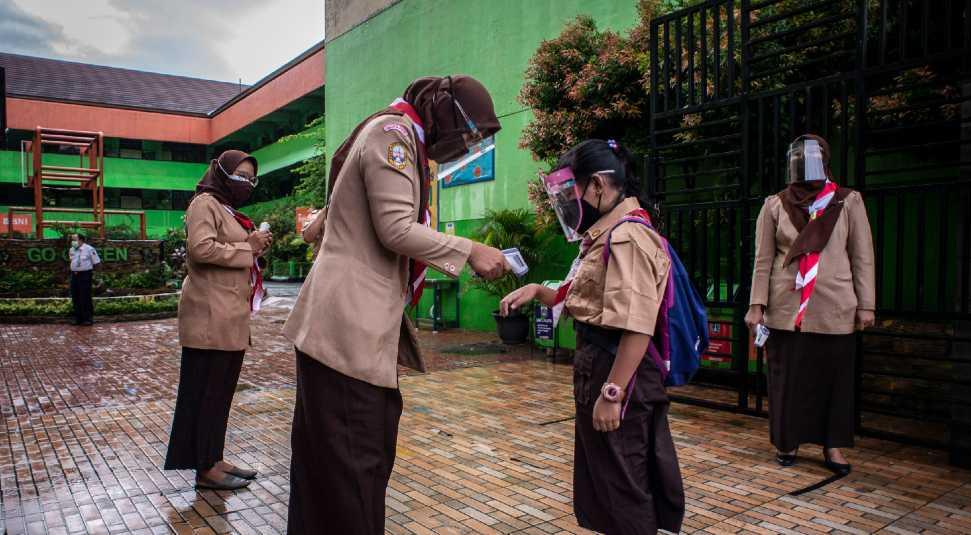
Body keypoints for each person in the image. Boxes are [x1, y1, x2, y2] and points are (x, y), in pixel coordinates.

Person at [282, 75, 509, 534]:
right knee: (357, 464)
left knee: (328, 463)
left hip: (341, 326)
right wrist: (471, 250)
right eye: (468, 134)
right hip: (347, 329)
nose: (465, 147)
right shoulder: (393, 137)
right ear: (443, 113)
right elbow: (395, 228)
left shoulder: (393, 135)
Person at [500, 139, 685, 534]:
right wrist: (535, 290)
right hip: (600, 366)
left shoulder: (627, 238)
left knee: (624, 488)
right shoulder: (605, 235)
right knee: (608, 483)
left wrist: (611, 393)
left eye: (574, 191)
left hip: (617, 371)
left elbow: (636, 324)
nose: (570, 203)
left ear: (598, 185)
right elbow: (586, 302)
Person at [744, 134, 875, 475]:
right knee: (787, 379)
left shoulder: (847, 201)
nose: (805, 164)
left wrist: (867, 305)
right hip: (787, 309)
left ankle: (833, 446)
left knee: (834, 380)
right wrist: (756, 305)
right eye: (798, 158)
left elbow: (862, 257)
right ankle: (788, 439)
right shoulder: (775, 204)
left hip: (834, 306)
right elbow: (763, 260)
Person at [164, 150, 272, 490]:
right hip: (209, 320)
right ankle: (204, 468)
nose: (247, 183)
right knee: (204, 395)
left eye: (251, 178)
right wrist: (248, 248)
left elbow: (231, 249)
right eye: (240, 175)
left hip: (229, 318)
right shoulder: (204, 204)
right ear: (222, 173)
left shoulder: (226, 210)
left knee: (220, 395)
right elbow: (201, 249)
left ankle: (213, 458)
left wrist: (255, 248)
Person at [68, 233, 101, 325]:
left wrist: (96, 276)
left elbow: (97, 263)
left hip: (85, 275)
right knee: (75, 296)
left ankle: (88, 319)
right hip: (74, 275)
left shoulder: (89, 249)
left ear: (81, 240)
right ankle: (78, 318)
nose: (73, 242)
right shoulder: (71, 250)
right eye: (72, 240)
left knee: (85, 296)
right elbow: (72, 261)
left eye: (75, 239)